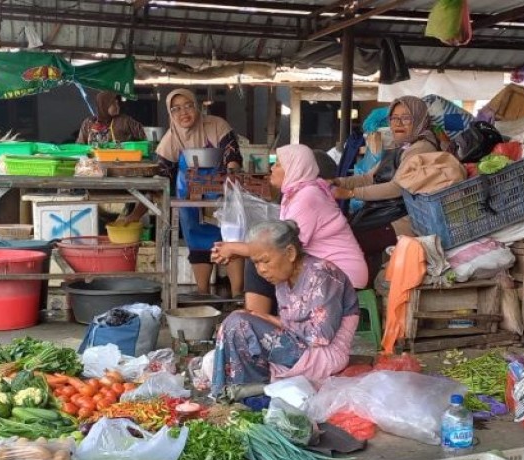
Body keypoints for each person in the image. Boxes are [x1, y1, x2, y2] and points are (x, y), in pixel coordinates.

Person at [211, 144, 368, 315]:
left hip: (342, 275)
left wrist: (233, 248)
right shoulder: (296, 193)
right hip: (321, 269)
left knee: (261, 263)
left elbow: (281, 247)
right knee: (263, 262)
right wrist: (235, 250)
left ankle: (255, 325)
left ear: (294, 169)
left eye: (278, 164)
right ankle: (261, 324)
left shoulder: (307, 197)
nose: (272, 168)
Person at [210, 221, 359, 397]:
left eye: (265, 261)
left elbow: (320, 336)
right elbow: (289, 329)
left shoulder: (323, 274)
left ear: (290, 253)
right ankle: (247, 390)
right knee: (221, 348)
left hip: (323, 355)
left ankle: (246, 392)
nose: (261, 270)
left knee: (240, 324)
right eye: (256, 263)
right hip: (299, 349)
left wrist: (266, 319)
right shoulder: (282, 279)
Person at [126, 89, 244, 296]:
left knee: (231, 240)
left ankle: (238, 296)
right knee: (198, 242)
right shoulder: (170, 140)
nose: (184, 112)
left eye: (188, 105)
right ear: (170, 113)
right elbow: (159, 180)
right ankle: (202, 294)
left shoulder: (217, 125)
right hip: (190, 198)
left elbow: (231, 153)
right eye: (176, 108)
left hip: (223, 194)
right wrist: (136, 214)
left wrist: (232, 174)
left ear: (197, 106)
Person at [331, 95, 440, 279]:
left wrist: (351, 193)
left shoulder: (421, 148)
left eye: (406, 118)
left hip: (404, 220)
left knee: (351, 243)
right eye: (394, 118)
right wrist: (338, 182)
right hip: (385, 213)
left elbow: (396, 188)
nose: (398, 123)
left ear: (420, 119)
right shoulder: (403, 146)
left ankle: (359, 292)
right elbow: (368, 177)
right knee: (347, 232)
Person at [76, 90, 147, 145]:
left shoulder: (124, 121)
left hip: (119, 162)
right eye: (113, 103)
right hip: (94, 162)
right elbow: (79, 145)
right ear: (104, 105)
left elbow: (146, 134)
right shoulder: (88, 123)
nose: (117, 106)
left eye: (117, 102)